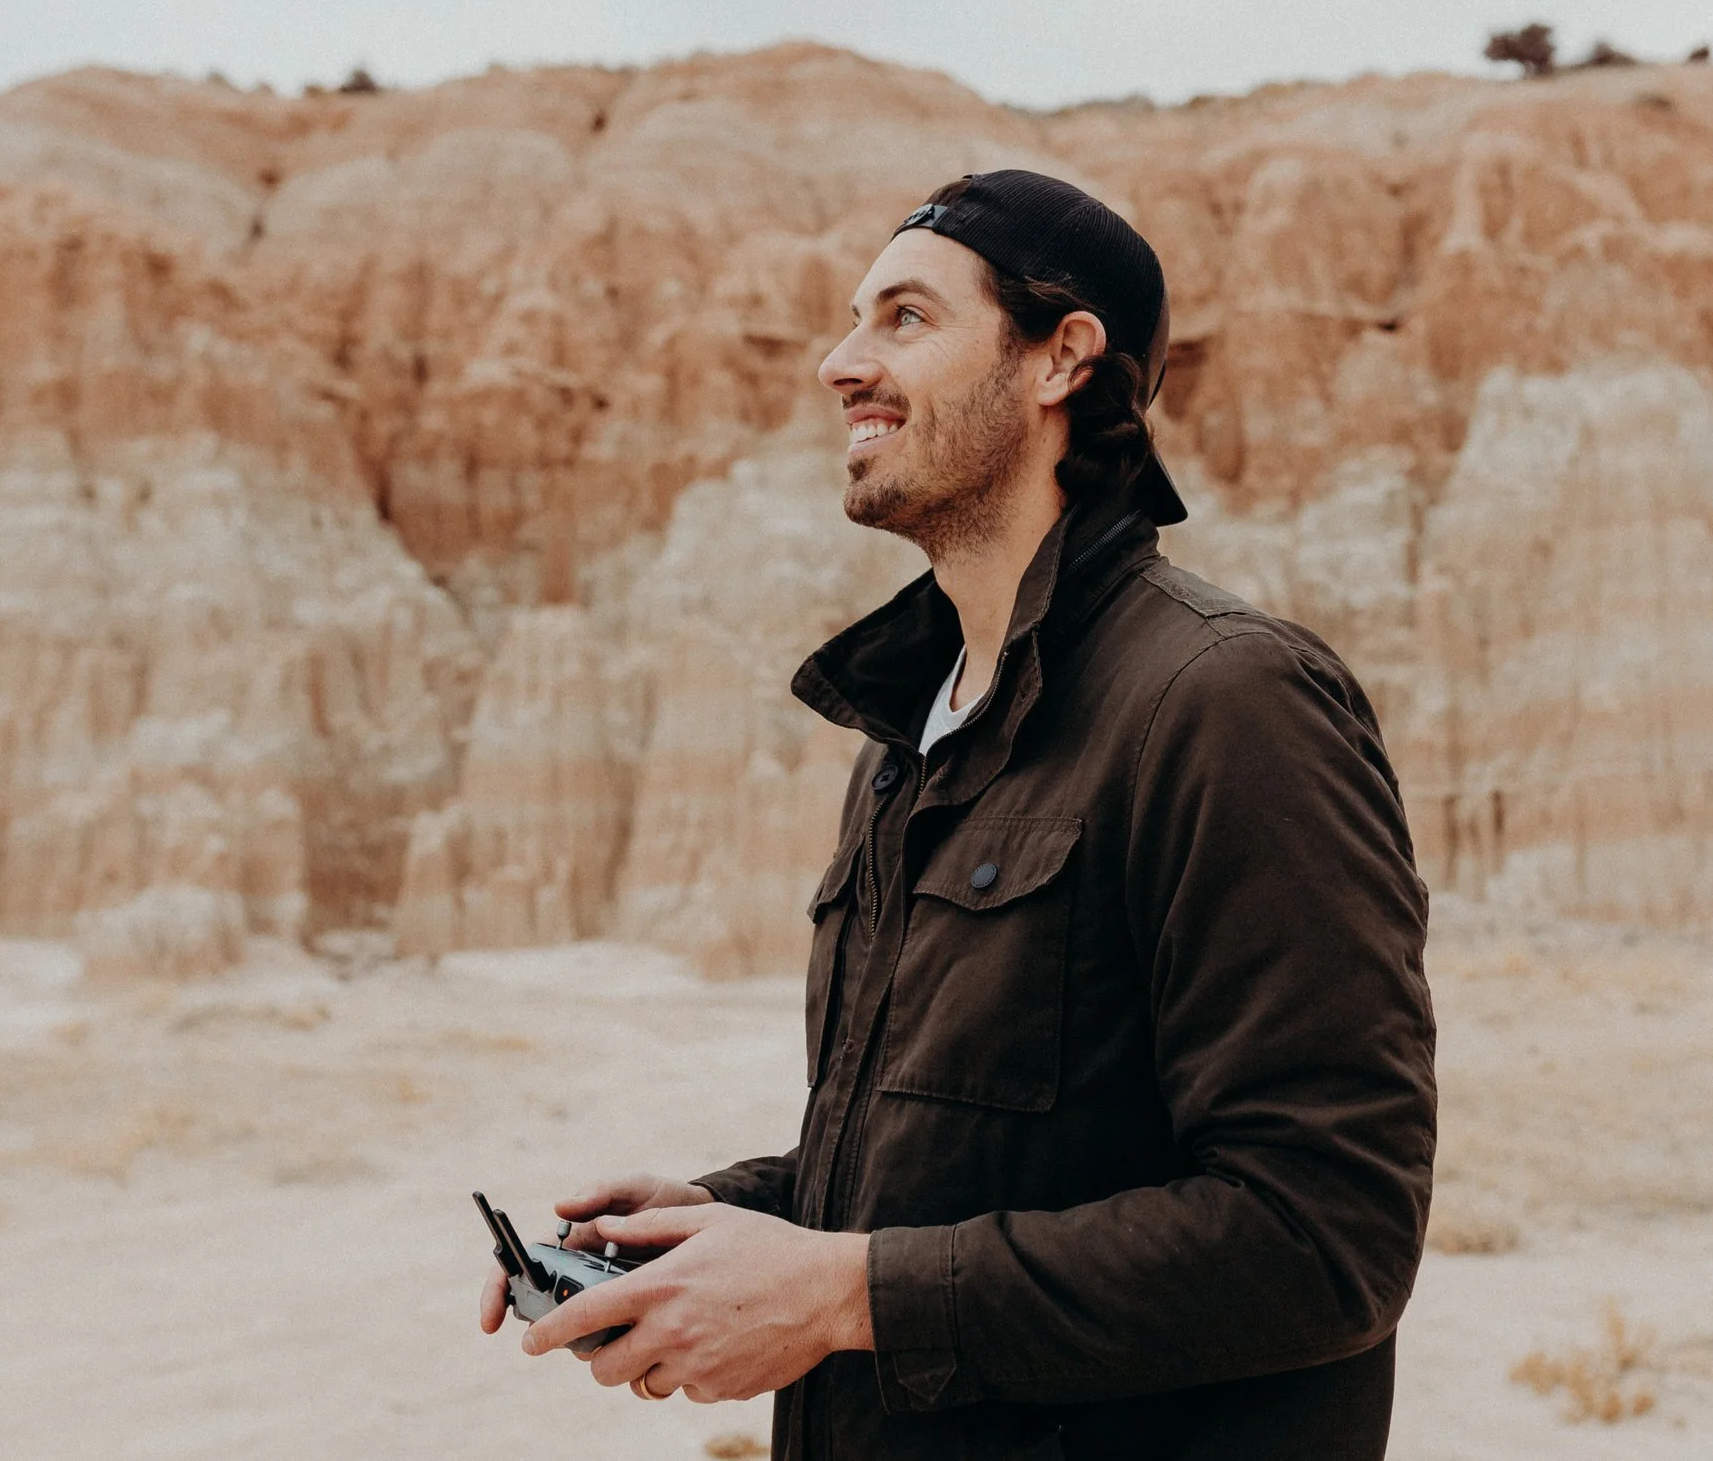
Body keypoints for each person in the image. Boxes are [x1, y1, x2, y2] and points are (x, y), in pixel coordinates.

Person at [484, 169, 1438, 1460]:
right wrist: (720, 1221)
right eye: (851, 321)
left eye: (905, 320)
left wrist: (838, 1295)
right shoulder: (913, 734)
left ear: (1061, 359)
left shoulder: (1225, 700)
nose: (841, 363)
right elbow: (990, 1158)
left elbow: (1325, 1238)